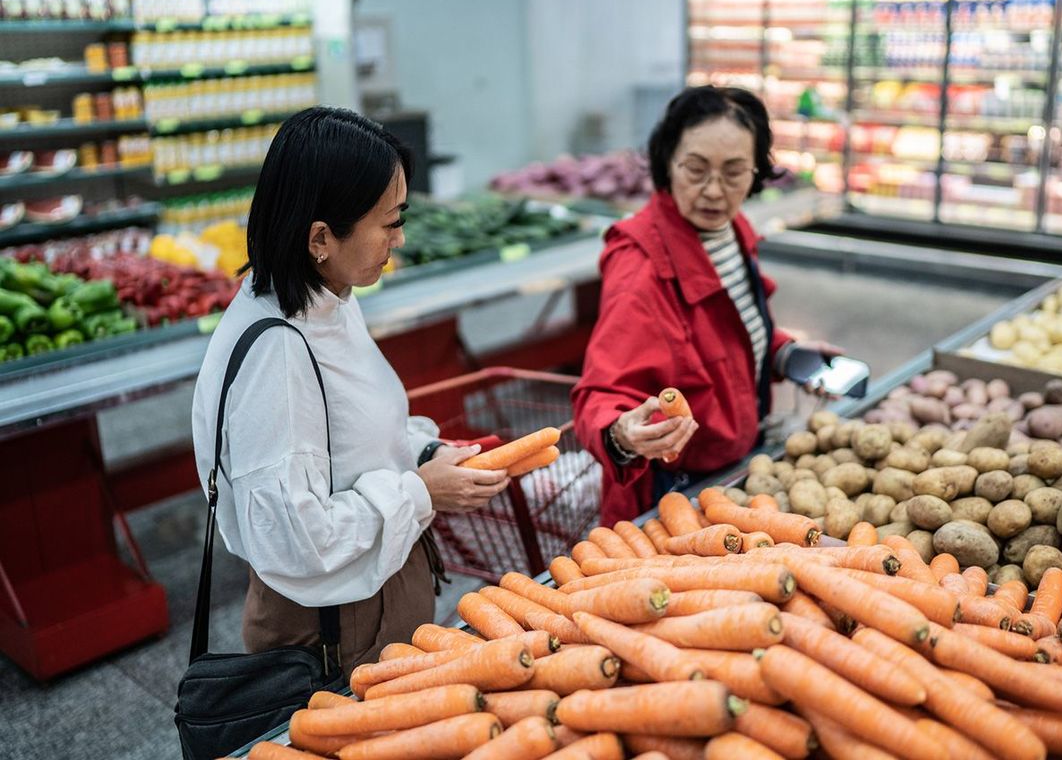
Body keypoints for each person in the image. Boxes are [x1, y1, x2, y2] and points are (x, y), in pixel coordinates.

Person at [191, 107, 509, 669]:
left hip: (373, 595)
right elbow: (298, 540)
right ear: (320, 238)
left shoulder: (328, 299)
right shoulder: (278, 352)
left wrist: (424, 454)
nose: (400, 238)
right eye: (389, 223)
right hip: (336, 627)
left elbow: (349, 438)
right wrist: (420, 492)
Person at [572, 86, 842, 525]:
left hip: (732, 473)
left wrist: (786, 354)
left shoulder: (731, 232)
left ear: (756, 172)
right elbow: (599, 395)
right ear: (666, 162)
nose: (714, 191)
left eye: (734, 172)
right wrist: (623, 432)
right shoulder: (641, 266)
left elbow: (729, 331)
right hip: (671, 500)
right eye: (696, 170)